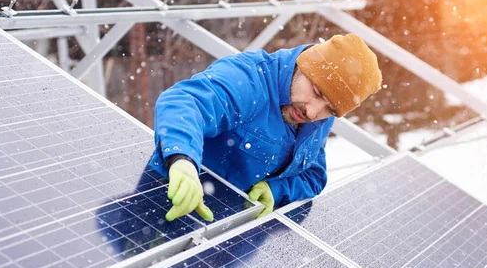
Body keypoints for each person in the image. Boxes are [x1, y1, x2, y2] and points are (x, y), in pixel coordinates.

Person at [150, 34, 382, 222]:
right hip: (167, 203)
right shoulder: (250, 79)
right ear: (304, 66)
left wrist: (276, 189)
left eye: (330, 109)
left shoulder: (318, 117)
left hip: (230, 233)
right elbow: (185, 101)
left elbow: (314, 176)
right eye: (317, 92)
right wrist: (183, 160)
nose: (312, 113)